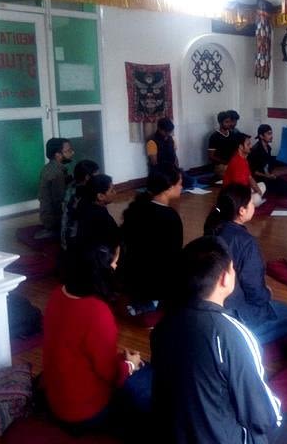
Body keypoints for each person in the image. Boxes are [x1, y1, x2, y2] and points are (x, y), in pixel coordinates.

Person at [151, 236, 287, 443]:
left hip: (174, 433)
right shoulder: (231, 333)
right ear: (224, 278)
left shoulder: (163, 326)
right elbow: (263, 416)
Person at [43, 241, 150, 435]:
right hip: (83, 412)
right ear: (101, 270)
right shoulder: (96, 312)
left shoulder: (58, 293)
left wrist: (121, 361)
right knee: (148, 381)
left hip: (56, 399)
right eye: (114, 263)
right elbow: (112, 375)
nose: (116, 267)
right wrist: (130, 365)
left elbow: (79, 351)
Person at [204, 184, 287, 344]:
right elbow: (253, 289)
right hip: (234, 309)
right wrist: (266, 294)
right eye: (251, 203)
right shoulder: (245, 242)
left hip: (213, 306)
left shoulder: (212, 228)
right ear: (241, 211)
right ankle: (241, 342)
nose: (253, 206)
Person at [120, 163, 183, 313]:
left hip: (131, 276)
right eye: (180, 184)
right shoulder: (170, 216)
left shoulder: (136, 208)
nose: (182, 187)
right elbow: (174, 254)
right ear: (168, 188)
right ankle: (152, 301)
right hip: (155, 280)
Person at [37, 137, 74, 239]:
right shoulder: (57, 173)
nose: (72, 152)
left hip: (48, 215)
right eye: (68, 151)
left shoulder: (50, 167)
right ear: (58, 155)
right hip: (53, 218)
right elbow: (59, 200)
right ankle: (53, 230)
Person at [74, 174, 120, 253]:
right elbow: (115, 239)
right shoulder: (100, 216)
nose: (115, 193)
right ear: (100, 196)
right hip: (98, 257)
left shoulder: (84, 202)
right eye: (112, 190)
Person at [61, 159, 99, 251]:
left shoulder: (72, 185)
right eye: (97, 175)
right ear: (87, 177)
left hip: (66, 238)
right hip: (75, 242)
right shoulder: (84, 194)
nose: (98, 178)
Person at [249, 124, 287, 197]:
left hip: (267, 176)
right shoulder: (255, 150)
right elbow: (253, 172)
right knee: (281, 188)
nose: (271, 136)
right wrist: (267, 176)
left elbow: (268, 164)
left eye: (271, 133)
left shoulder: (268, 148)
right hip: (259, 179)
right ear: (261, 136)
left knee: (286, 183)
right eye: (269, 134)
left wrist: (270, 175)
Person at [146, 118, 195, 189]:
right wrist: (169, 172)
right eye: (165, 131)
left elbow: (175, 156)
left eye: (169, 131)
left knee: (189, 181)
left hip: (171, 169)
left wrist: (177, 170)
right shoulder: (152, 142)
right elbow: (154, 163)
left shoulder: (171, 139)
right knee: (165, 184)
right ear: (159, 128)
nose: (167, 133)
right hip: (160, 170)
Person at [223, 132, 266, 206]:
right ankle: (245, 205)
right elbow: (238, 188)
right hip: (233, 196)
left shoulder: (244, 159)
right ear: (240, 146)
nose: (251, 146)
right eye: (248, 144)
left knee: (262, 185)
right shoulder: (236, 162)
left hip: (242, 191)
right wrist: (252, 194)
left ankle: (250, 202)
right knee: (256, 198)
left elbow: (250, 178)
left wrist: (258, 191)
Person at [208, 110, 239, 178]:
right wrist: (225, 162)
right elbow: (211, 156)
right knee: (234, 175)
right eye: (226, 122)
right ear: (220, 122)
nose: (229, 124)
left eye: (230, 122)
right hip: (220, 165)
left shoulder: (232, 134)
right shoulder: (214, 137)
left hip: (232, 163)